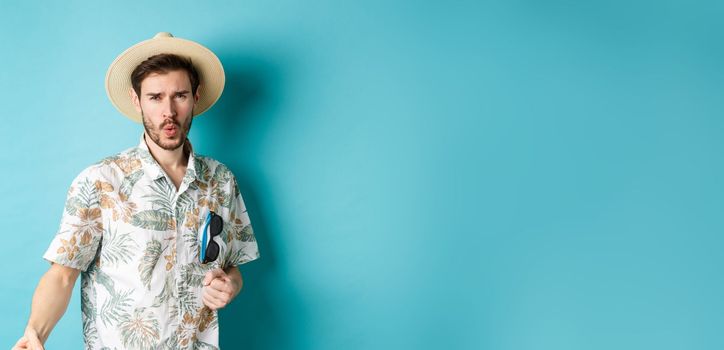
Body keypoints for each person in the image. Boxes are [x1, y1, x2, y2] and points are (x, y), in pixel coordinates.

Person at [13, 32, 260, 350]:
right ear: (137, 100)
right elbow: (62, 275)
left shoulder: (221, 180)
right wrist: (35, 334)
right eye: (155, 97)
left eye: (180, 96)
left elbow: (231, 266)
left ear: (195, 97)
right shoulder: (101, 181)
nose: (168, 111)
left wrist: (230, 286)